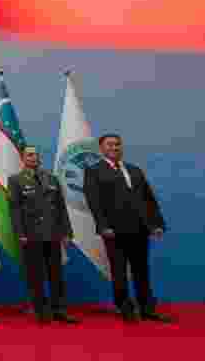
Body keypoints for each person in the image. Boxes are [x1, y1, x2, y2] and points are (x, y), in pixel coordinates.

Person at [84, 134, 173, 323]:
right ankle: (125, 308)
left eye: (117, 144)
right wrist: (103, 226)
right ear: (102, 149)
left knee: (142, 270)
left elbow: (148, 198)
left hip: (140, 229)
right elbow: (94, 202)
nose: (115, 147)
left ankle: (147, 309)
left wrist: (156, 223)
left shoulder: (135, 170)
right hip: (114, 231)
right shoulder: (94, 171)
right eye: (110, 145)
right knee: (119, 271)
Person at [7, 146, 79, 325]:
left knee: (56, 274)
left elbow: (61, 208)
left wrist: (67, 232)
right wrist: (20, 233)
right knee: (35, 275)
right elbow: (15, 210)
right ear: (23, 158)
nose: (34, 157)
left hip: (53, 233)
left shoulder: (51, 178)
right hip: (31, 234)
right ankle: (41, 311)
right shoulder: (15, 180)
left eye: (36, 154)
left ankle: (59, 310)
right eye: (29, 155)